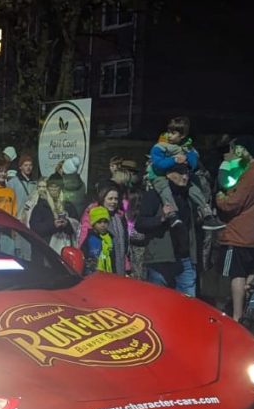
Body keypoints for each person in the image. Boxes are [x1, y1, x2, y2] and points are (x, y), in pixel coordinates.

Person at [214, 137, 254, 321]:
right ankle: (249, 312)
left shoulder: (251, 174)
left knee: (237, 275)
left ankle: (237, 316)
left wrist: (220, 197)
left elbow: (232, 203)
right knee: (252, 273)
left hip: (240, 234)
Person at [148, 116, 223, 232]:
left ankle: (206, 214)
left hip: (179, 175)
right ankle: (172, 214)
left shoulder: (188, 148)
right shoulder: (160, 146)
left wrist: (187, 159)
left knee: (194, 189)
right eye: (168, 132)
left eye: (173, 133)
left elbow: (194, 163)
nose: (169, 135)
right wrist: (174, 160)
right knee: (164, 188)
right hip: (160, 175)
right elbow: (158, 163)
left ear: (182, 136)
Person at [136, 163, 198, 295]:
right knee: (158, 300)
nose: (185, 177)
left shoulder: (188, 195)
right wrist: (162, 218)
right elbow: (140, 224)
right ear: (169, 174)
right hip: (161, 258)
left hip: (185, 258)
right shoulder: (154, 195)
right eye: (181, 173)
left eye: (187, 173)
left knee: (187, 301)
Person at [79, 181, 130, 277]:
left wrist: (127, 267)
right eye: (110, 199)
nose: (113, 202)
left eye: (116, 199)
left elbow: (123, 244)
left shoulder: (119, 217)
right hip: (98, 265)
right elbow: (84, 239)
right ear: (103, 199)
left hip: (118, 266)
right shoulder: (93, 214)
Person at [29, 174, 80, 253]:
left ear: (61, 187)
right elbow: (34, 227)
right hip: (46, 250)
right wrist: (53, 225)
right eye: (51, 186)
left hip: (66, 248)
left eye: (56, 186)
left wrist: (67, 224)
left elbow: (77, 226)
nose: (53, 189)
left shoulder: (68, 206)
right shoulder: (41, 206)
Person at [81, 206, 115, 274]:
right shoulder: (89, 239)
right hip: (94, 273)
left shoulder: (110, 237)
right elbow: (84, 258)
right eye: (99, 222)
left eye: (105, 222)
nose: (103, 225)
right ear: (93, 224)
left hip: (109, 273)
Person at [10, 154, 38, 223]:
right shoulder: (13, 182)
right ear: (20, 167)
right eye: (25, 165)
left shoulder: (35, 183)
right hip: (17, 218)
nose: (28, 167)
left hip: (31, 218)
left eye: (30, 165)